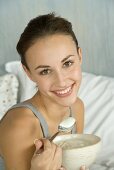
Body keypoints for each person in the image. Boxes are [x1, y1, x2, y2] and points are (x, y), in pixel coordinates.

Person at [0, 13, 85, 170]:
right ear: (28, 73)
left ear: (79, 56)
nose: (61, 81)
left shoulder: (77, 108)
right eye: (45, 71)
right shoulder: (19, 126)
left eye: (67, 63)